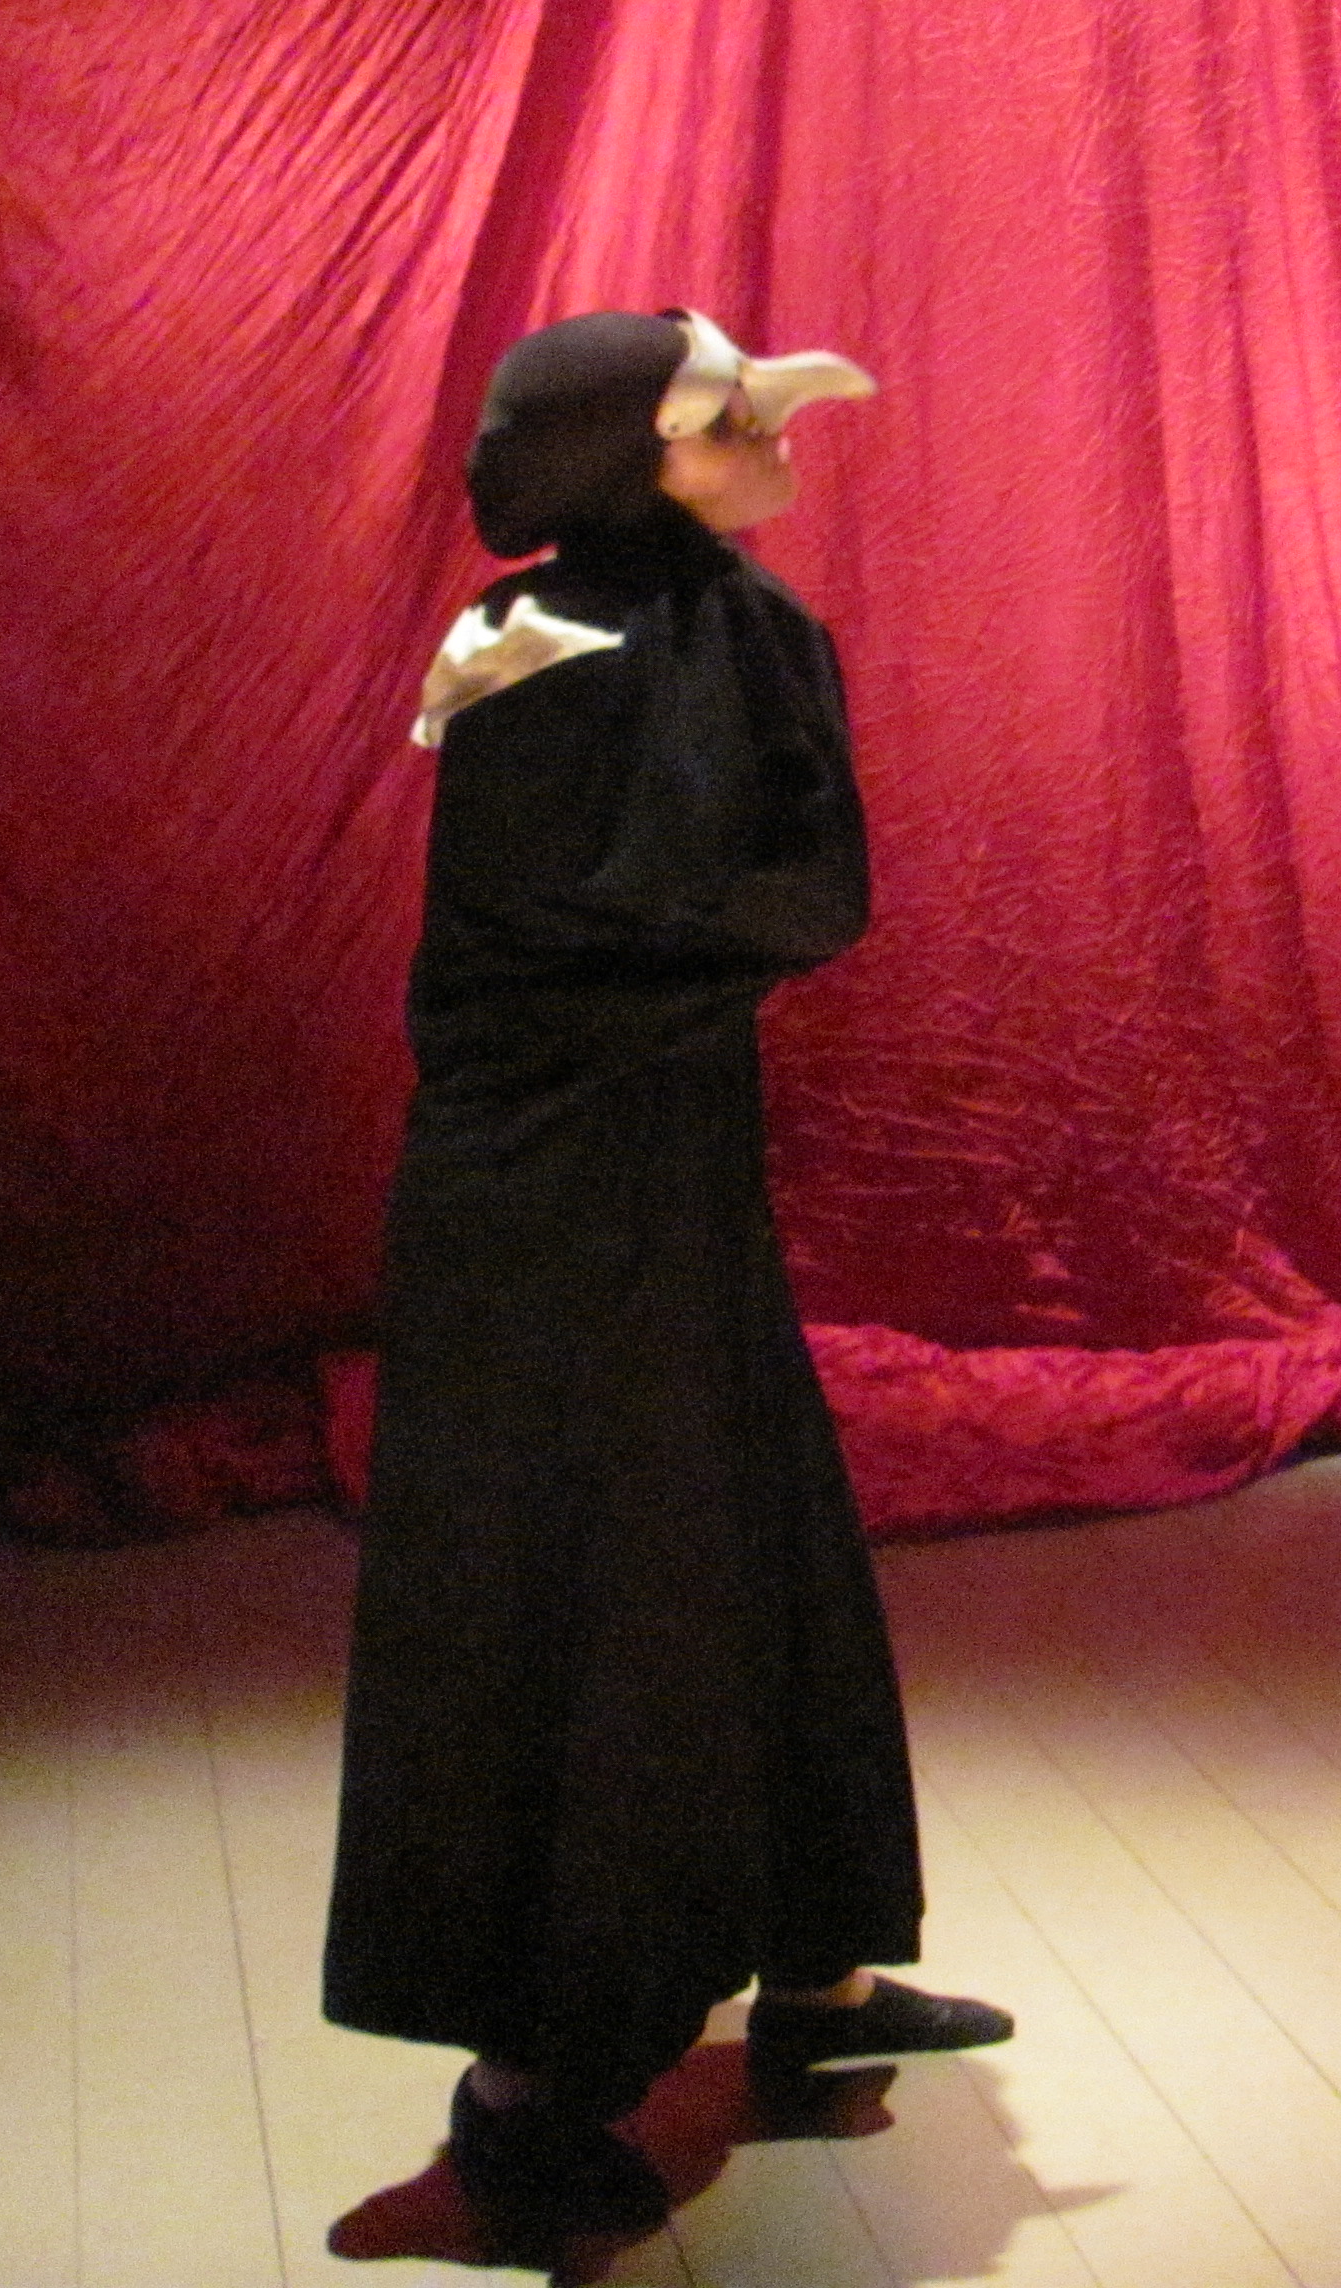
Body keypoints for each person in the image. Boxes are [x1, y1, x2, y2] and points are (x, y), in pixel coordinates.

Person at [325, 308, 1010, 2261]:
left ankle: (815, 1975)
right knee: (580, 1601)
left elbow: (790, 880)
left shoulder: (737, 622)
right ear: (624, 462)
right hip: (542, 1202)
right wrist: (765, 890)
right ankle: (523, 2092)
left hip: (674, 1168)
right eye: (725, 418)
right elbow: (604, 924)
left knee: (759, 1544)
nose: (774, 434)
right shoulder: (524, 645)